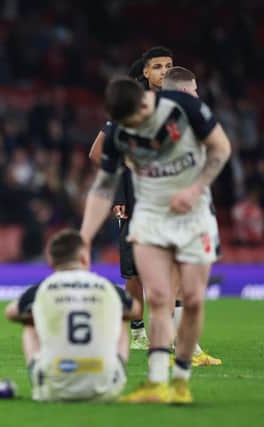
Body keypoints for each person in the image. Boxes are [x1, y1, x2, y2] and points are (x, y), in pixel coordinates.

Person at [81, 77, 231, 403]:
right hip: (148, 216)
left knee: (191, 299)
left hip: (193, 215)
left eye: (135, 121)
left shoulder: (183, 107)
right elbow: (104, 187)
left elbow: (221, 148)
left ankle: (180, 380)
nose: (132, 129)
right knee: (159, 297)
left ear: (144, 103)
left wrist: (195, 188)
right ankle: (156, 381)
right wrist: (84, 236)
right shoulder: (119, 130)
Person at [88, 47, 173, 350]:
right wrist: (121, 186)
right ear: (146, 73)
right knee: (134, 269)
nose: (164, 71)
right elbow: (98, 153)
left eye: (169, 66)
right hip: (137, 200)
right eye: (158, 66)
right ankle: (137, 330)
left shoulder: (183, 105)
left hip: (174, 200)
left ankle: (173, 334)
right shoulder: (130, 107)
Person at [14, 229, 141, 402]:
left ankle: (43, 378)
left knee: (30, 324)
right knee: (122, 317)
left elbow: (11, 312)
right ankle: (113, 375)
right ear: (84, 258)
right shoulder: (105, 286)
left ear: (51, 262)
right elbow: (136, 310)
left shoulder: (44, 287)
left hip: (53, 392)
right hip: (105, 391)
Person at [161, 66, 222, 366]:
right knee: (180, 284)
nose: (198, 94)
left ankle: (180, 348)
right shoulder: (185, 117)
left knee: (174, 283)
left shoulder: (149, 114)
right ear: (185, 90)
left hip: (160, 207)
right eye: (194, 89)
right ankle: (181, 350)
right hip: (183, 208)